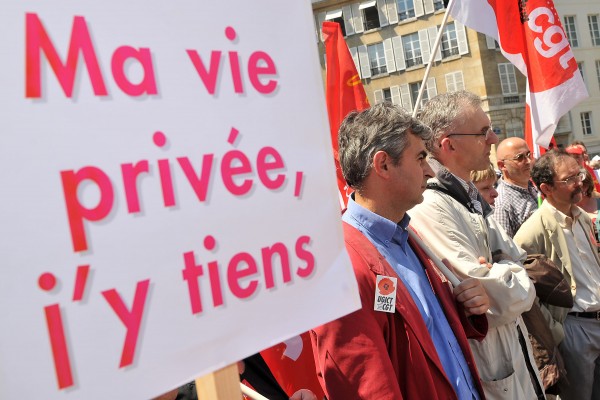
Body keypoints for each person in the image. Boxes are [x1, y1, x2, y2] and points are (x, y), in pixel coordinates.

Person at [311, 103, 489, 399]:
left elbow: (423, 336)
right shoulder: (340, 266)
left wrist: (464, 307)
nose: (431, 171)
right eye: (420, 158)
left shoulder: (408, 237)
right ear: (382, 165)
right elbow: (368, 388)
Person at [408, 90, 542, 399]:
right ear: (448, 143)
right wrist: (506, 269)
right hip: (491, 366)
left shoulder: (466, 196)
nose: (494, 139)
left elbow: (522, 267)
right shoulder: (430, 203)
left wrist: (504, 267)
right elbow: (490, 297)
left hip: (511, 357)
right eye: (483, 132)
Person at [514, 150, 600, 400]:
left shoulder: (582, 217)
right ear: (547, 188)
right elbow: (527, 293)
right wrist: (556, 331)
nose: (580, 182)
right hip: (574, 329)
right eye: (570, 178)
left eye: (580, 173)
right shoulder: (531, 232)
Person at [494, 137, 539, 237]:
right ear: (502, 165)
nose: (528, 161)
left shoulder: (534, 188)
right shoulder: (502, 204)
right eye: (520, 158)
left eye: (528, 154)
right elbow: (505, 249)